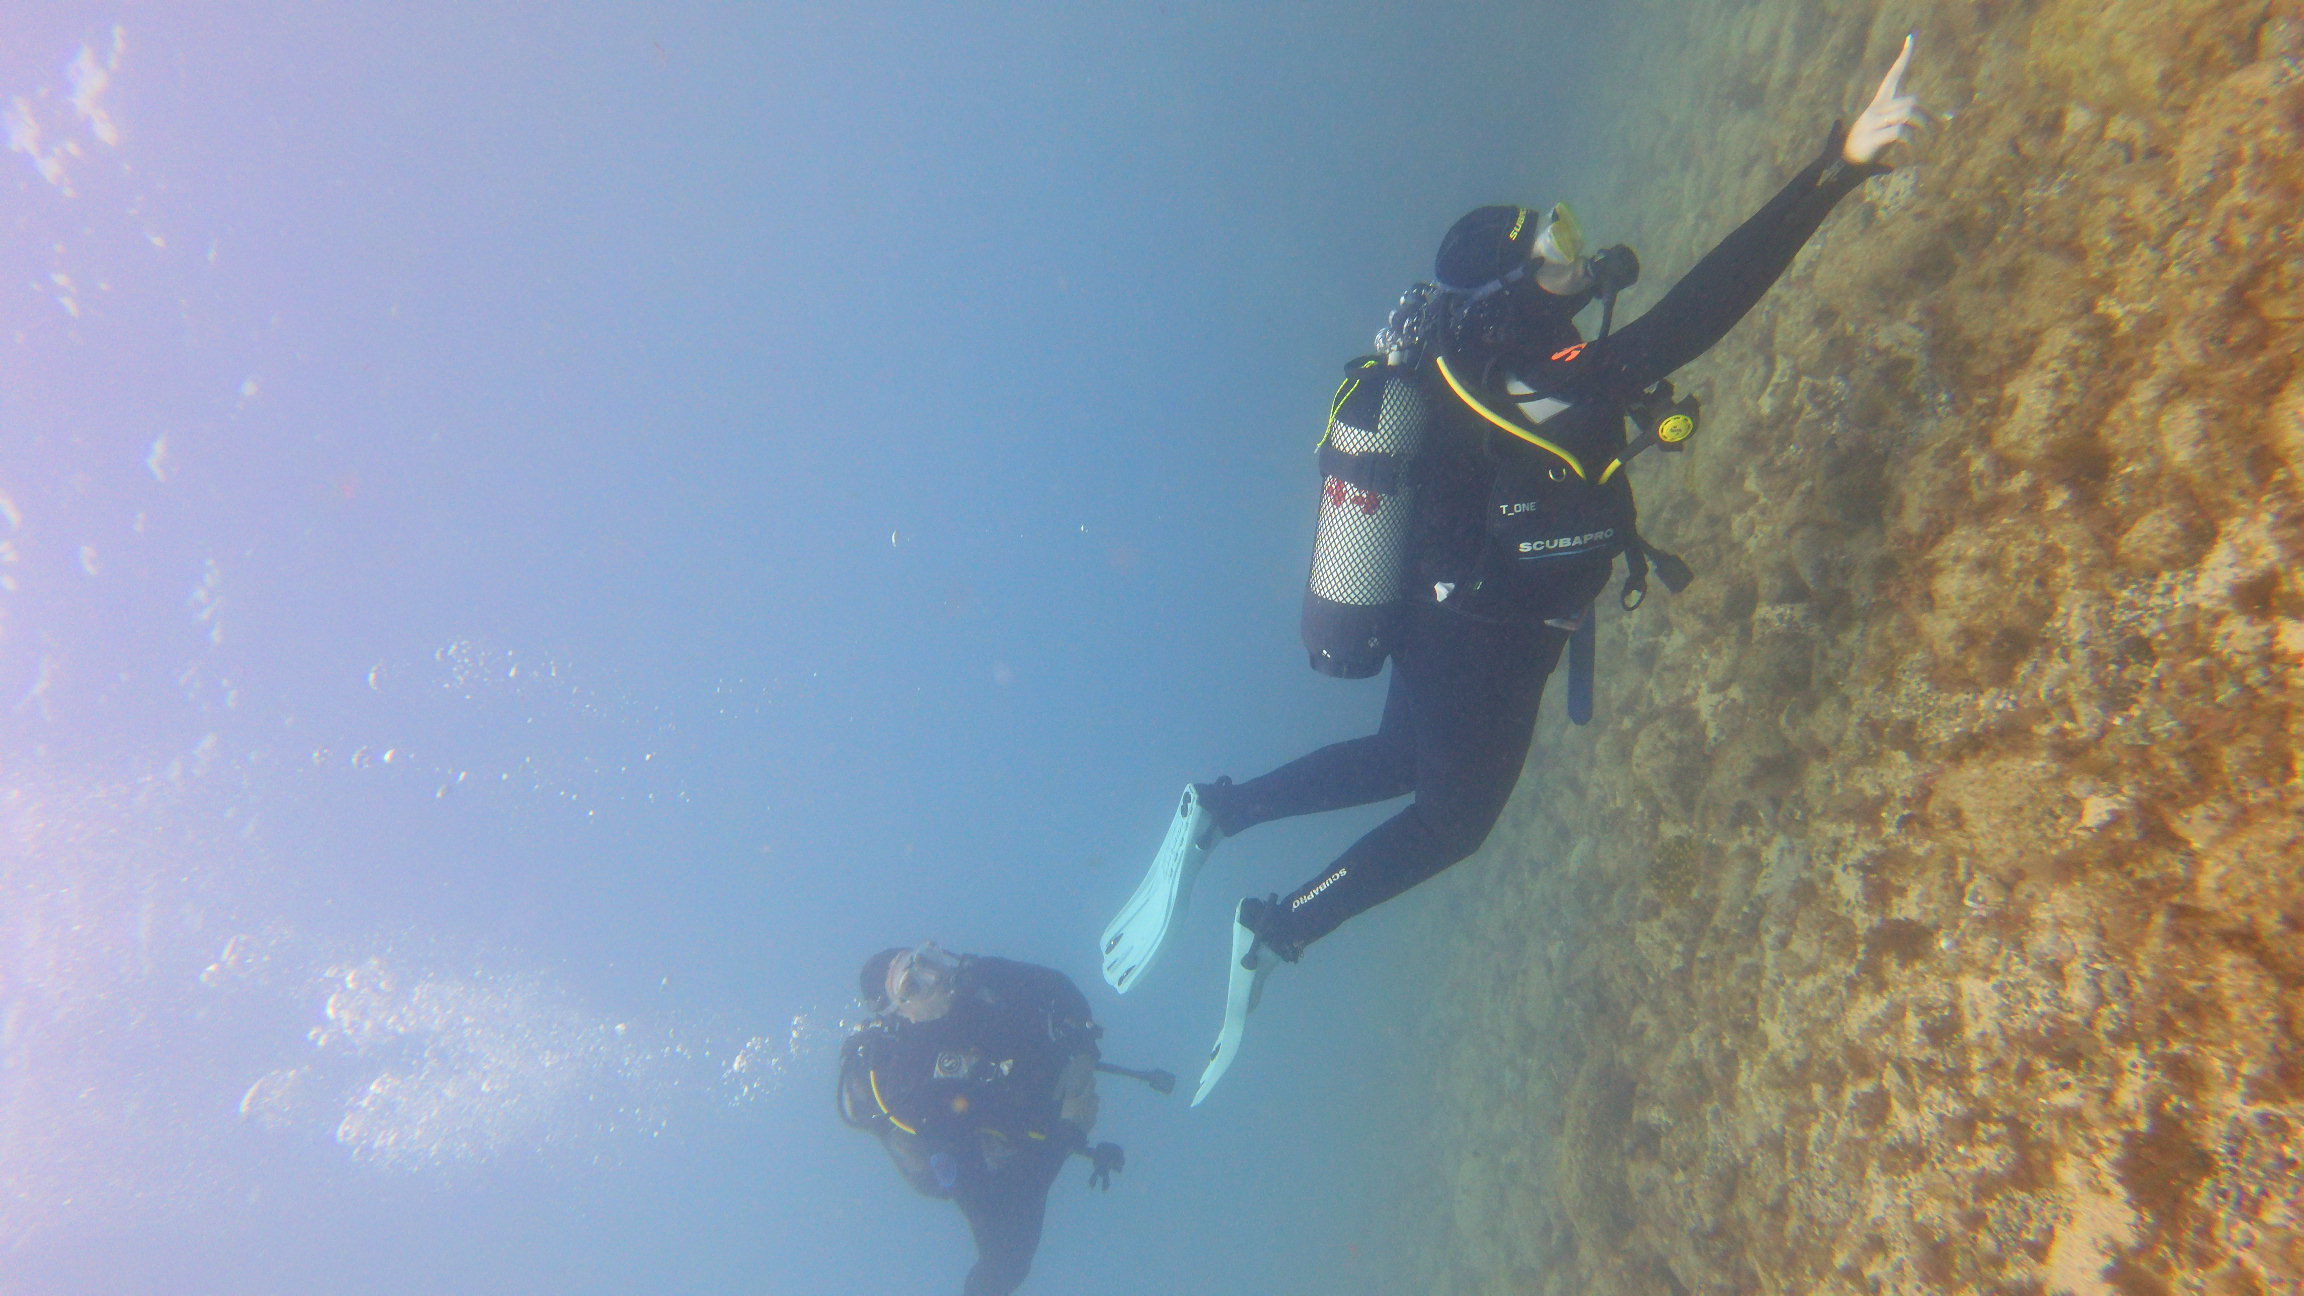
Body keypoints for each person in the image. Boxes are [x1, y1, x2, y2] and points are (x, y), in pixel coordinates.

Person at [1100, 38, 1934, 1102]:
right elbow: (1701, 311)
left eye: (1566, 230)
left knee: (1399, 758)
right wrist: (1836, 167)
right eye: (1556, 244)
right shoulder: (1540, 372)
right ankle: (1278, 929)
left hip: (1437, 617)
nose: (1575, 249)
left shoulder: (1473, 355)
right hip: (1483, 642)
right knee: (1454, 822)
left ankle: (1220, 811)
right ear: (1515, 283)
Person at [838, 943, 1131, 1296]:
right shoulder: (919, 1091)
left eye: (927, 961)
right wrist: (1068, 1132)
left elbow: (1055, 986)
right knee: (1008, 1263)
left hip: (1041, 1103)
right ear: (900, 1012)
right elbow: (994, 1217)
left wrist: (1084, 1052)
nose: (934, 977)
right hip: (1002, 1152)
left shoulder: (980, 977)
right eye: (912, 985)